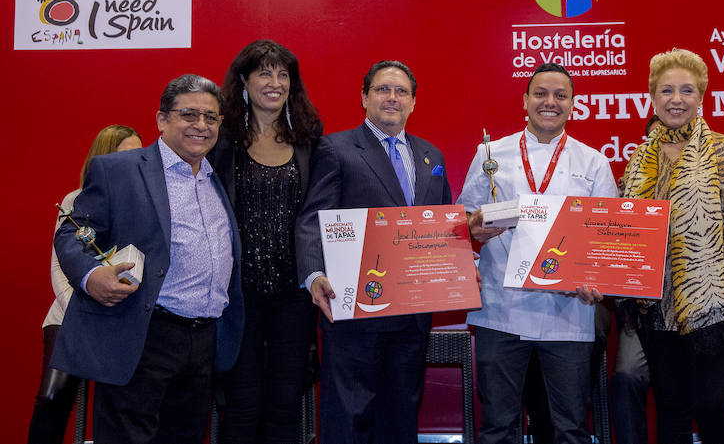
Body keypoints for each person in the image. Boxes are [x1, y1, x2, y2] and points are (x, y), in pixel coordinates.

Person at [52, 74, 243, 444]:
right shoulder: (119, 170)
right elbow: (73, 233)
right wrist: (92, 276)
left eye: (211, 117)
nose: (201, 125)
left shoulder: (217, 176)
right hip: (143, 334)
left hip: (203, 340)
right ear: (161, 119)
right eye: (189, 114)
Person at [456, 62, 617, 444]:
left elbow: (606, 236)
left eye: (560, 95)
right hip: (501, 308)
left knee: (571, 427)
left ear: (573, 104)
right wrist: (473, 225)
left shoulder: (593, 162)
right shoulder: (491, 153)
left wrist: (598, 280)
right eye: (541, 94)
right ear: (525, 101)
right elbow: (463, 216)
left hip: (568, 313)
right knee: (498, 426)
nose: (550, 102)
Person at [296, 60, 452, 443]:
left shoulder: (432, 155)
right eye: (383, 89)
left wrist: (463, 265)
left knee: (400, 417)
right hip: (355, 313)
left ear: (414, 103)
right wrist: (315, 274)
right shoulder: (336, 148)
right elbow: (313, 219)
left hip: (413, 314)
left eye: (401, 92)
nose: (392, 98)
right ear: (364, 97)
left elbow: (442, 227)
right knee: (349, 417)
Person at [617, 48, 724, 444]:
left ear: (701, 97)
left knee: (712, 404)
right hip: (655, 305)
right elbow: (624, 228)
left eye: (686, 90)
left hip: (711, 303)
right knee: (671, 407)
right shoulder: (638, 158)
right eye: (666, 90)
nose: (675, 99)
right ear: (652, 98)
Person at [209, 39, 322, 444]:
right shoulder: (220, 140)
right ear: (243, 80)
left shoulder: (310, 137)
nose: (275, 82)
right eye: (264, 72)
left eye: (283, 74)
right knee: (241, 402)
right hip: (239, 294)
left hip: (295, 294)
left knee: (285, 400)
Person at [28, 125, 142, 444]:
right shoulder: (77, 200)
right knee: (54, 397)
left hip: (121, 321)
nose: (134, 163)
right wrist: (88, 315)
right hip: (71, 318)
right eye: (125, 155)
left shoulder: (145, 208)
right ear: (103, 159)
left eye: (139, 155)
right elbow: (60, 269)